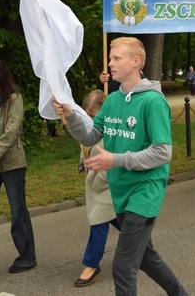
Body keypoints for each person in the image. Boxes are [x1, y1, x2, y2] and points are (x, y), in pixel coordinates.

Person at [53, 37, 187, 296]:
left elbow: (163, 152)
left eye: (117, 58)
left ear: (136, 62)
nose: (110, 63)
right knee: (147, 259)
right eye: (111, 58)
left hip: (144, 193)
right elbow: (90, 136)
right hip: (120, 193)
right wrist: (70, 115)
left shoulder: (152, 102)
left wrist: (116, 159)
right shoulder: (113, 99)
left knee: (123, 268)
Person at [0, 58, 36, 275]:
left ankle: (27, 257)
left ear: (0, 77)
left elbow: (9, 135)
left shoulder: (14, 99)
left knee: (18, 210)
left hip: (11, 163)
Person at [73, 89, 120, 288]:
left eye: (92, 115)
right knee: (125, 224)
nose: (88, 119)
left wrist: (101, 176)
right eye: (85, 114)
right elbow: (85, 148)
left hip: (106, 183)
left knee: (98, 221)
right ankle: (143, 248)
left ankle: (92, 266)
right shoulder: (88, 127)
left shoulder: (111, 129)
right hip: (94, 183)